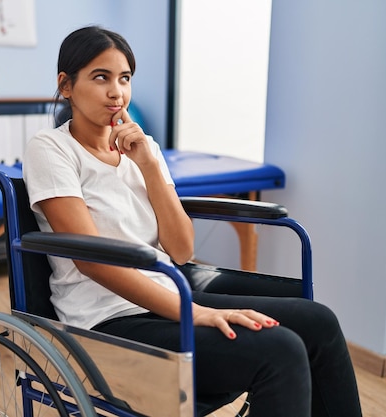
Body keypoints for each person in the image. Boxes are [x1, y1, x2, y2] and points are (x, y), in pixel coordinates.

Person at [22, 25, 362, 417]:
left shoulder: (142, 149)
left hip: (167, 291)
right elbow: (91, 260)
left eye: (125, 78)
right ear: (66, 85)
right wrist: (197, 314)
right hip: (107, 319)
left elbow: (181, 249)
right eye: (101, 78)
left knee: (319, 322)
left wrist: (148, 164)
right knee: (281, 350)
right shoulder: (50, 148)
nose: (117, 92)